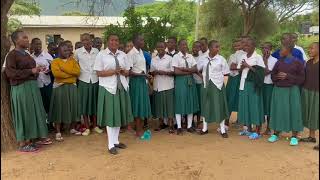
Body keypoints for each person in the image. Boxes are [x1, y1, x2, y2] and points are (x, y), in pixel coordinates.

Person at [5, 30, 52, 152]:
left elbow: (31, 70)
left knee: (32, 113)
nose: (27, 40)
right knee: (24, 113)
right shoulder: (12, 55)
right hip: (21, 88)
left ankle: (30, 140)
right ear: (16, 40)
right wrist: (31, 71)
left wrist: (37, 70)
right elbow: (10, 73)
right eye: (24, 38)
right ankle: (22, 143)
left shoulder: (26, 55)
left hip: (32, 87)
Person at [94, 34, 133, 155]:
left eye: (116, 40)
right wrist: (113, 72)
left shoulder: (123, 55)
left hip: (121, 87)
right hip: (109, 88)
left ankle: (116, 141)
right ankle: (110, 144)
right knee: (111, 116)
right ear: (108, 42)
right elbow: (99, 73)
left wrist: (124, 71)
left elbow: (128, 71)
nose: (114, 42)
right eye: (112, 40)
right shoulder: (101, 55)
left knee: (119, 115)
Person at [268, 46, 305, 146]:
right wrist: (277, 77)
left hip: (292, 91)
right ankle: (275, 133)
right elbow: (273, 75)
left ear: (288, 51)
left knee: (294, 111)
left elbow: (302, 78)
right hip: (279, 90)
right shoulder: (279, 62)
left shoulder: (297, 62)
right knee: (278, 111)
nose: (279, 51)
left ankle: (294, 136)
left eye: (282, 50)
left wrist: (287, 76)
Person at [49, 41, 81, 141]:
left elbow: (77, 72)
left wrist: (64, 70)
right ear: (59, 51)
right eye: (64, 50)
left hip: (72, 87)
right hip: (59, 88)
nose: (67, 52)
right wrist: (71, 75)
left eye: (68, 50)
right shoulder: (55, 62)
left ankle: (72, 128)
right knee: (59, 109)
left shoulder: (73, 61)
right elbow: (57, 74)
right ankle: (58, 132)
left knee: (73, 107)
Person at [197, 40, 230, 138]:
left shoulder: (221, 59)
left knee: (219, 105)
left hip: (217, 85)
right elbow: (197, 69)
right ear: (210, 48)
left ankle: (222, 129)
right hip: (206, 85)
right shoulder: (203, 58)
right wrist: (203, 77)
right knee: (206, 105)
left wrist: (218, 79)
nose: (218, 49)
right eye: (216, 47)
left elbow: (226, 72)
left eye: (219, 47)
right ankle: (205, 128)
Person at [74, 33, 103, 136]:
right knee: (84, 104)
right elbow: (75, 66)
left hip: (95, 80)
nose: (85, 42)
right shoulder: (77, 52)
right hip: (83, 81)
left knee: (95, 103)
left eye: (87, 39)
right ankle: (87, 127)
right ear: (81, 41)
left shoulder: (97, 51)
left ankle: (95, 126)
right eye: (83, 40)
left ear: (91, 40)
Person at [237, 37, 265, 140]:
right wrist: (242, 67)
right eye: (245, 45)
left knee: (255, 106)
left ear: (254, 46)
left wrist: (248, 66)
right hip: (243, 84)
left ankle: (257, 131)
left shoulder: (258, 57)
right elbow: (240, 70)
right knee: (246, 106)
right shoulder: (243, 56)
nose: (246, 47)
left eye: (248, 45)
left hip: (253, 85)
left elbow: (262, 72)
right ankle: (248, 129)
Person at [172, 39, 199, 135]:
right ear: (178, 47)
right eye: (182, 45)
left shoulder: (190, 56)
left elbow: (195, 69)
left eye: (186, 44)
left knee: (190, 102)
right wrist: (189, 71)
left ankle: (189, 126)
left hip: (190, 82)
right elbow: (176, 72)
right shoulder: (176, 57)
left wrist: (183, 69)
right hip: (180, 82)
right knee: (180, 102)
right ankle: (179, 127)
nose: (184, 46)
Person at [127, 34, 152, 138]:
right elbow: (129, 72)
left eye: (143, 40)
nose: (143, 41)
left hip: (142, 81)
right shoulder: (131, 54)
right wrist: (142, 75)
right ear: (135, 41)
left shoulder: (141, 52)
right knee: (137, 106)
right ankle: (138, 131)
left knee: (142, 106)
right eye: (141, 40)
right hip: (136, 82)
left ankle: (140, 129)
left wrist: (146, 76)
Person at [150, 42, 175, 133]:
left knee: (169, 106)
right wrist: (154, 72)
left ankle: (171, 124)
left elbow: (173, 72)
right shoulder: (154, 59)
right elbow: (151, 72)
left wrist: (163, 72)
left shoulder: (170, 58)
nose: (160, 48)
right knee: (159, 106)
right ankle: (161, 124)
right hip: (157, 85)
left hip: (168, 85)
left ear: (165, 47)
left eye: (162, 46)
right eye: (158, 46)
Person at [299, 42, 319, 150]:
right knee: (311, 113)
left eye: (312, 48)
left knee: (317, 114)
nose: (309, 50)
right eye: (309, 48)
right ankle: (312, 137)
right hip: (307, 91)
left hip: (317, 92)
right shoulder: (308, 62)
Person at [225, 39, 245, 128]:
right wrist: (239, 67)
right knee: (229, 98)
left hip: (239, 79)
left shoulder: (244, 54)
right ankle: (226, 121)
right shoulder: (232, 55)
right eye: (235, 45)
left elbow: (236, 67)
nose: (236, 47)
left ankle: (239, 120)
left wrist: (236, 67)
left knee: (239, 99)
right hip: (232, 79)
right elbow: (230, 67)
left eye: (238, 45)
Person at [30, 38, 53, 115]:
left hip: (47, 84)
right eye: (36, 44)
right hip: (36, 85)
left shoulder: (47, 56)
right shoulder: (30, 57)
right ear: (32, 45)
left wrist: (49, 71)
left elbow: (54, 68)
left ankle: (51, 123)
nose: (39, 46)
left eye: (40, 44)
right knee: (40, 105)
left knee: (50, 104)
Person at [260, 42, 278, 135]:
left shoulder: (274, 60)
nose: (264, 50)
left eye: (267, 48)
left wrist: (265, 61)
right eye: (263, 48)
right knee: (261, 105)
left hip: (269, 85)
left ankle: (269, 128)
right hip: (260, 85)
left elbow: (266, 72)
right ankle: (258, 127)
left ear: (270, 49)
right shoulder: (258, 58)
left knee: (269, 106)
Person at [192, 41, 203, 128]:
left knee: (199, 102)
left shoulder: (203, 58)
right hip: (191, 83)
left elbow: (199, 70)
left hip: (199, 83)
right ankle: (191, 121)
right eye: (194, 47)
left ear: (200, 49)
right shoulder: (189, 57)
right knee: (191, 102)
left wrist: (195, 71)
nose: (195, 49)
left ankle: (198, 121)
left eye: (197, 47)